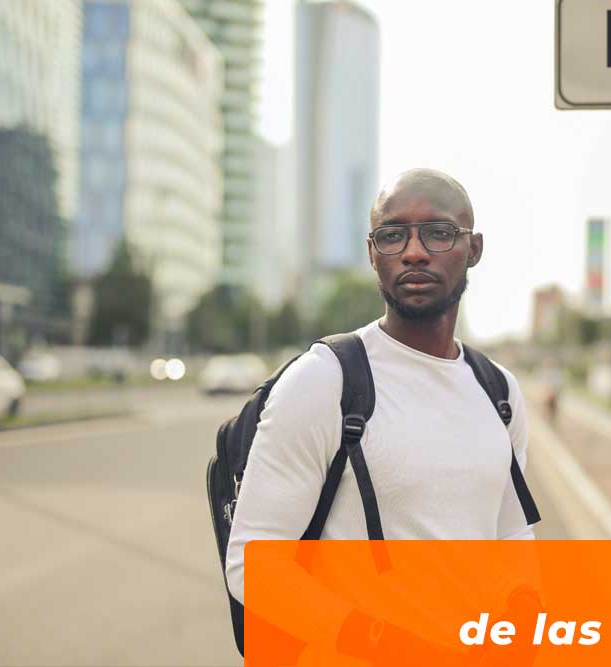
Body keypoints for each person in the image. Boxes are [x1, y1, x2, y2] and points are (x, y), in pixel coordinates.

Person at [224, 168, 540, 663]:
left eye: (438, 233)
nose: (413, 252)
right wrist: (381, 641)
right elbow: (253, 563)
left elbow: (510, 534)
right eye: (392, 236)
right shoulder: (326, 381)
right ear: (373, 255)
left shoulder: (498, 391)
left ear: (473, 249)